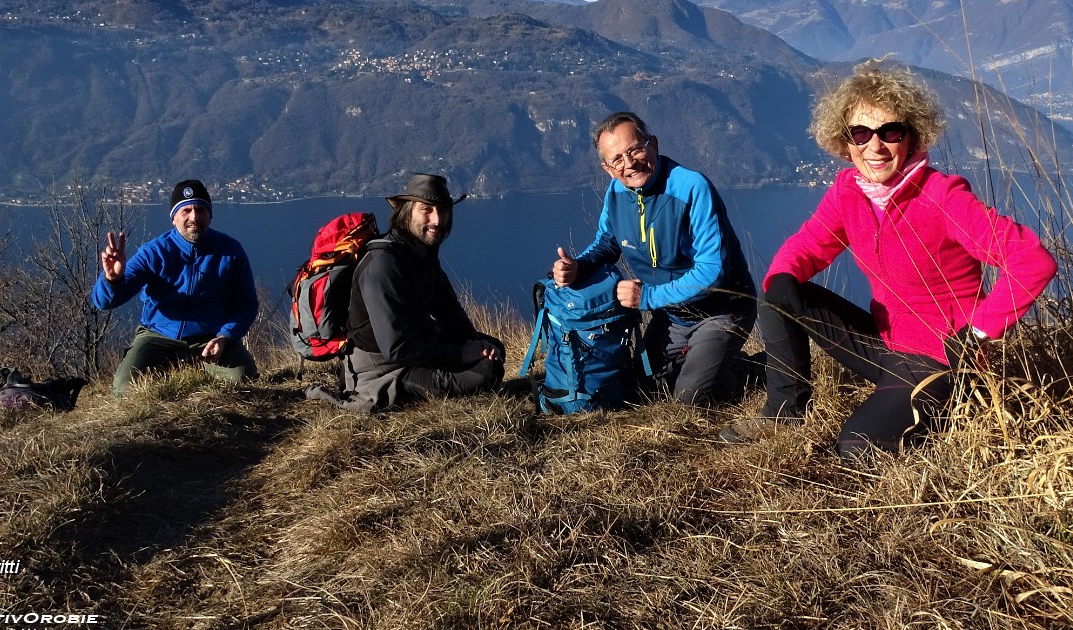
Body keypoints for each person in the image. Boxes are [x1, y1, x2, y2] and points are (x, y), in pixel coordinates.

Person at [720, 62, 1059, 457]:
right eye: (860, 133)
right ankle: (784, 411)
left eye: (890, 132)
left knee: (857, 448)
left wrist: (978, 332)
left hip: (940, 361)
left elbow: (1031, 259)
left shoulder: (942, 198)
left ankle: (946, 417)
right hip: (885, 344)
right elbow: (810, 243)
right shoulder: (850, 190)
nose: (874, 146)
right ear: (845, 141)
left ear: (911, 137)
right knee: (776, 292)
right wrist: (783, 275)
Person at [550, 112, 757, 406]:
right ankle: (708, 362)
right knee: (646, 391)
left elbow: (714, 272)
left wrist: (648, 296)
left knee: (690, 398)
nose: (629, 163)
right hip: (672, 315)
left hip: (723, 310)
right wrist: (577, 267)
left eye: (635, 149)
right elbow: (607, 243)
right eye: (617, 159)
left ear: (653, 144)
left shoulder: (691, 187)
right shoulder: (616, 191)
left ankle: (755, 369)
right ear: (608, 169)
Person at [321, 173, 505, 412]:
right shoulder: (383, 265)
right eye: (426, 210)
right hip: (381, 368)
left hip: (414, 348)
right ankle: (388, 392)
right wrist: (460, 354)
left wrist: (475, 343)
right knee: (482, 373)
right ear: (407, 212)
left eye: (444, 210)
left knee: (494, 350)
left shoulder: (422, 256)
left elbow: (449, 311)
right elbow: (397, 348)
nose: (437, 220)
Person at [92, 179, 259, 397]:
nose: (194, 217)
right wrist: (112, 279)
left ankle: (193, 366)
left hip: (209, 338)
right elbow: (103, 302)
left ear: (210, 215)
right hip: (158, 336)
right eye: (186, 210)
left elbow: (246, 303)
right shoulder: (154, 252)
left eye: (200, 209)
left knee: (243, 376)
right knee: (124, 391)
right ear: (174, 218)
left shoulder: (230, 251)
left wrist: (226, 336)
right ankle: (173, 366)